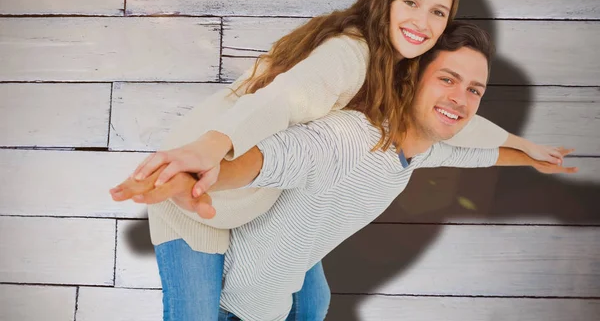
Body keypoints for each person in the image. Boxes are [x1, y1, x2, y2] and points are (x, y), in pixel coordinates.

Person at [111, 22, 576, 321]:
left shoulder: (421, 148)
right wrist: (179, 179)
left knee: (315, 303)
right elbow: (267, 159)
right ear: (411, 79)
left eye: (474, 89)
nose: (461, 97)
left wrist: (534, 158)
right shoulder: (349, 139)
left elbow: (481, 150)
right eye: (448, 79)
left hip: (280, 280)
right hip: (237, 304)